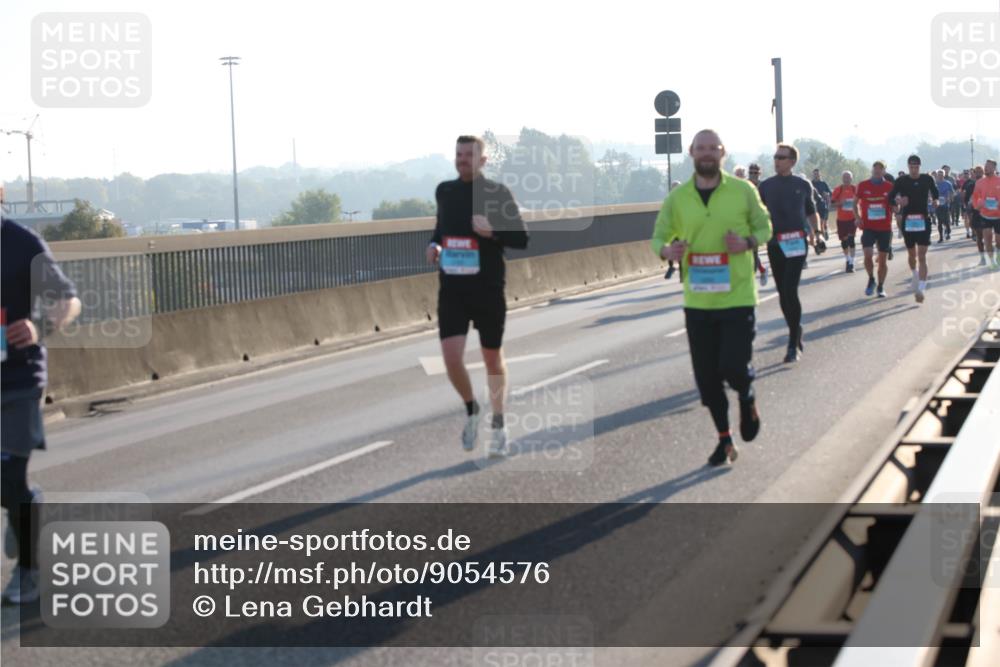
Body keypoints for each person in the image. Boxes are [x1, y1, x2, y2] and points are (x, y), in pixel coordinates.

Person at [652, 129, 772, 466]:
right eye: (701, 148)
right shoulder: (678, 199)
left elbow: (765, 227)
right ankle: (724, 439)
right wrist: (667, 250)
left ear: (722, 152)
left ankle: (746, 397)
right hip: (698, 301)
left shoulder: (742, 190)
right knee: (706, 380)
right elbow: (659, 236)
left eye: (713, 148)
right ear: (691, 152)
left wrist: (748, 242)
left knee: (733, 367)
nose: (706, 153)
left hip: (737, 298)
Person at [427, 136, 529, 457]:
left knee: (491, 359)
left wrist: (492, 232)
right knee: (451, 358)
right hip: (453, 289)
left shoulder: (497, 194)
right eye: (458, 154)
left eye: (469, 155)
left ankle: (498, 424)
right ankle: (472, 409)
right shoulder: (445, 191)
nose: (462, 159)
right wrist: (434, 246)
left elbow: (522, 238)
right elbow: (440, 230)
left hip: (487, 289)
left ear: (483, 160)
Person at [2, 216, 81, 604]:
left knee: (6, 473)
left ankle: (29, 571)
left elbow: (68, 299)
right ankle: (22, 510)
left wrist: (38, 326)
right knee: (7, 488)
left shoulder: (21, 242)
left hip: (18, 381)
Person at [757, 143, 821, 363]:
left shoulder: (802, 184)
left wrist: (818, 233)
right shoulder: (765, 186)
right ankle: (796, 327)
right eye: (775, 157)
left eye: (781, 157)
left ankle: (793, 342)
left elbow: (811, 212)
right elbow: (757, 214)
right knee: (783, 294)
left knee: (789, 289)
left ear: (792, 161)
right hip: (775, 243)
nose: (777, 160)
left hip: (797, 242)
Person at [887, 155, 939, 304]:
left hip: (923, 220)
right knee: (911, 255)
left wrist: (935, 201)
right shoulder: (901, 181)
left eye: (916, 167)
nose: (914, 170)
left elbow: (935, 193)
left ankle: (921, 288)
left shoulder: (927, 179)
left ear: (920, 167)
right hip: (908, 221)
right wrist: (897, 202)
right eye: (911, 167)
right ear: (908, 166)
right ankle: (915, 275)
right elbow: (891, 197)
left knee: (921, 255)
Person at [856, 161, 895, 297]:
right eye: (875, 168)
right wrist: (857, 217)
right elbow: (855, 203)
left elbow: (895, 205)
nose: (877, 171)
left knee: (882, 260)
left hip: (884, 228)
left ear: (884, 171)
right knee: (867, 255)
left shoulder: (889, 187)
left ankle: (880, 286)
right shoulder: (863, 185)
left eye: (880, 169)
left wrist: (898, 206)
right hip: (868, 227)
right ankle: (871, 279)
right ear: (872, 170)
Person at [970, 158, 1000, 268]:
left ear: (994, 168)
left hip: (998, 215)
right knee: (987, 239)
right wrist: (977, 205)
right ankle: (991, 262)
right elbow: (975, 197)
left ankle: (998, 256)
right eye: (985, 166)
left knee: (998, 241)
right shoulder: (979, 182)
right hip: (985, 215)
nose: (986, 168)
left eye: (989, 166)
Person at [829, 171, 859, 272]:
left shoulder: (855, 189)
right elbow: (832, 204)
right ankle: (847, 259)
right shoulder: (838, 189)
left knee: (851, 240)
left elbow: (862, 201)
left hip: (852, 219)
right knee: (844, 241)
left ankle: (852, 262)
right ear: (842, 178)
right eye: (845, 177)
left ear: (851, 178)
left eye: (848, 177)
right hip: (841, 219)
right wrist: (840, 203)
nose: (846, 179)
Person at [965, 165, 988, 263]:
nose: (978, 174)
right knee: (979, 237)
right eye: (977, 172)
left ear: (983, 173)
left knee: (989, 237)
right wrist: (968, 213)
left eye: (980, 172)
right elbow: (967, 200)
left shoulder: (988, 184)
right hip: (976, 213)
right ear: (974, 173)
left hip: (989, 214)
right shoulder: (971, 185)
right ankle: (982, 258)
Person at [811, 169, 833, 240]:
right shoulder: (810, 184)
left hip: (823, 206)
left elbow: (830, 193)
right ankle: (821, 237)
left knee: (823, 223)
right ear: (813, 175)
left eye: (817, 174)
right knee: (819, 223)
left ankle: (825, 231)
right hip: (814, 207)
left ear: (820, 175)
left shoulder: (823, 183)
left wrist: (827, 194)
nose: (816, 176)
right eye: (814, 174)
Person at [934, 170, 955, 243]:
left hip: (946, 204)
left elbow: (952, 192)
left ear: (943, 175)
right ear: (937, 175)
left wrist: (950, 199)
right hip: (937, 204)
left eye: (941, 175)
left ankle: (948, 231)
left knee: (946, 220)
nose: (940, 176)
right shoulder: (935, 184)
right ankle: (941, 237)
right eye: (938, 175)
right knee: (939, 221)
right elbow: (930, 192)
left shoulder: (947, 183)